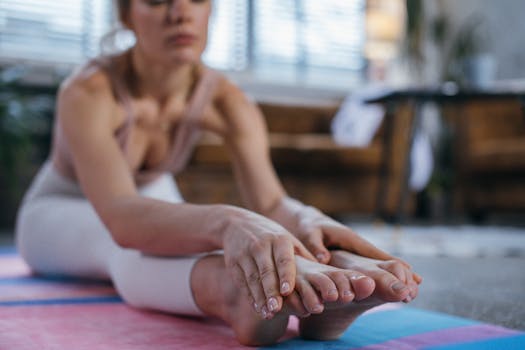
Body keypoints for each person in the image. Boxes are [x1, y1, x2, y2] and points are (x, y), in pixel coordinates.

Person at [15, 0, 421, 346]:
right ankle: (232, 294)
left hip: (147, 193)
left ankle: (325, 285)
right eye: (157, 0)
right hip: (61, 207)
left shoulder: (228, 100)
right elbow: (122, 217)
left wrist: (307, 220)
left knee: (238, 236)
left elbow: (270, 202)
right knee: (125, 248)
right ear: (126, 15)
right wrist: (230, 221)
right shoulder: (88, 91)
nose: (180, 13)